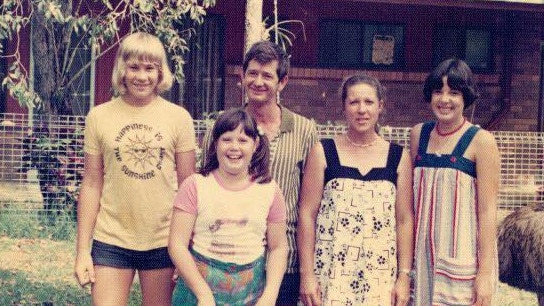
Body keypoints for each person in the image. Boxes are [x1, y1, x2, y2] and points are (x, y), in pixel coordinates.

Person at [73, 32, 196, 306]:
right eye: (134, 67)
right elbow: (92, 183)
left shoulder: (179, 118)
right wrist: (83, 251)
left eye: (150, 68)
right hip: (111, 239)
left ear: (160, 71)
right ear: (122, 70)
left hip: (164, 241)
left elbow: (190, 187)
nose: (142, 76)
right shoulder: (99, 117)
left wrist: (188, 249)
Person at [201, 40, 318, 305]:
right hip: (228, 257)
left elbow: (309, 204)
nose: (258, 81)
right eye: (252, 73)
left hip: (284, 259)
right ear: (242, 76)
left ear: (282, 82)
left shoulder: (304, 130)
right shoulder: (222, 128)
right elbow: (203, 191)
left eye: (267, 75)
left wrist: (307, 270)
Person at [297, 74, 414, 306]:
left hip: (380, 278)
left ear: (380, 106)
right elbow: (307, 215)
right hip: (331, 275)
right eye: (354, 102)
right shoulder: (323, 152)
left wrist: (403, 276)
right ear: (343, 107)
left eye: (369, 102)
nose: (362, 110)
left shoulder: (398, 158)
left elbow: (404, 220)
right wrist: (307, 274)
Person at [168, 108, 288, 305]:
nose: (234, 147)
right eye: (227, 139)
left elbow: (278, 247)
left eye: (243, 140)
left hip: (249, 292)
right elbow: (177, 244)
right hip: (198, 290)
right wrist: (203, 294)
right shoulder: (195, 185)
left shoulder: (270, 190)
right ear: (215, 144)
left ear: (256, 145)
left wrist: (269, 295)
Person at [410, 58, 499, 305]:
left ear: (466, 97)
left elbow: (488, 210)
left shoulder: (481, 141)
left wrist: (484, 274)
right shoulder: (419, 134)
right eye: (438, 91)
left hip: (462, 256)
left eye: (454, 92)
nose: (444, 99)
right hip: (422, 256)